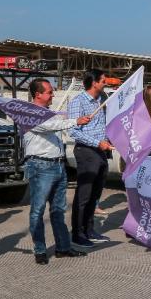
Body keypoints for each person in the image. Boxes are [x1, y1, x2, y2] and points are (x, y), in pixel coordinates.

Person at [24, 79, 90, 264]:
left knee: (58, 210)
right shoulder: (29, 113)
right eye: (49, 92)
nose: (53, 95)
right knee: (37, 210)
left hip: (57, 165)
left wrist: (69, 121)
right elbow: (49, 126)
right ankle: (40, 250)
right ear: (38, 94)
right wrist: (74, 121)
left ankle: (63, 247)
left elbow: (56, 125)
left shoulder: (49, 113)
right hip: (40, 165)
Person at [67, 69, 114, 247]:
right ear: (94, 82)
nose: (105, 83)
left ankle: (89, 229)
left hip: (101, 151)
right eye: (103, 80)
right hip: (87, 151)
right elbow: (73, 131)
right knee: (84, 195)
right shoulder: (78, 102)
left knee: (95, 194)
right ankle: (77, 233)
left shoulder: (102, 100)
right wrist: (96, 143)